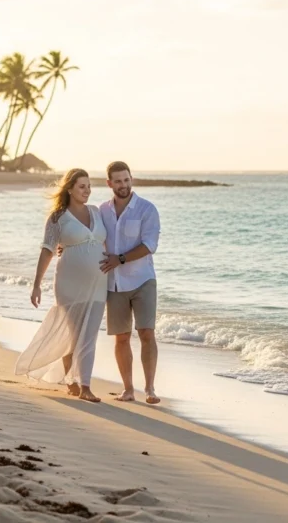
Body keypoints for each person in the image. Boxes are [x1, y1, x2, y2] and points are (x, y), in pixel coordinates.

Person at [15, 168, 107, 403]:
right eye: (81, 186)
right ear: (69, 189)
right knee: (74, 334)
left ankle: (84, 384)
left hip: (98, 284)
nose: (87, 191)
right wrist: (36, 285)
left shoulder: (96, 212)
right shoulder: (57, 218)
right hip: (68, 284)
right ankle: (73, 380)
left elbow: (109, 242)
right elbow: (47, 250)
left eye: (88, 186)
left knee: (89, 335)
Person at [98, 161, 162, 404]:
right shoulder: (102, 210)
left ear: (131, 179)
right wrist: (66, 246)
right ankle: (127, 389)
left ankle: (150, 389)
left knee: (147, 332)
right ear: (109, 183)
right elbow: (90, 234)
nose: (123, 185)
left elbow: (149, 246)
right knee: (121, 337)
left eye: (126, 180)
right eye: (118, 181)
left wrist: (120, 259)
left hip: (143, 279)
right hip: (113, 284)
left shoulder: (147, 209)